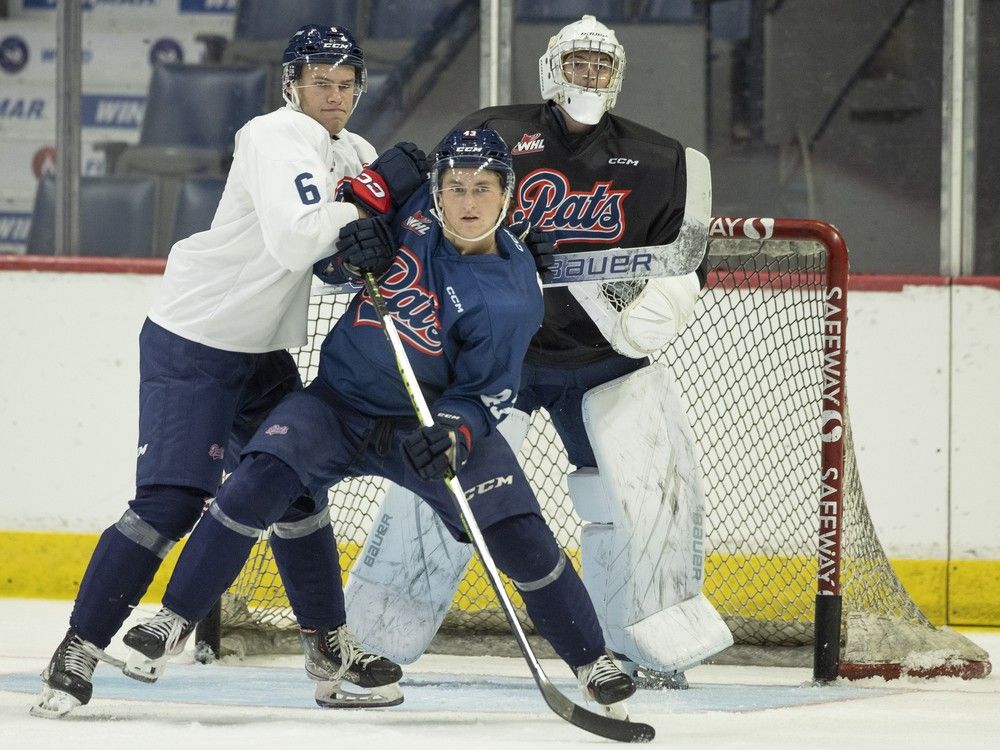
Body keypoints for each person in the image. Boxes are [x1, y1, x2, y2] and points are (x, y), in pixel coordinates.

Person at [118, 127, 638, 716]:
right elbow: (329, 258)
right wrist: (348, 254)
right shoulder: (413, 207)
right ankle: (173, 619)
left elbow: (488, 391)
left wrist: (456, 433)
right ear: (438, 190)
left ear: (507, 196)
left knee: (518, 535)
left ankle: (592, 662)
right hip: (339, 405)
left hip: (428, 424)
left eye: (483, 189)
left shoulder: (512, 294)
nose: (467, 203)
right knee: (256, 479)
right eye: (456, 187)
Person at [31, 23, 427, 718]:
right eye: (319, 82)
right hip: (198, 337)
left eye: (345, 84)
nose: (333, 95)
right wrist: (363, 209)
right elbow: (297, 234)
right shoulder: (271, 136)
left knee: (295, 488)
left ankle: (327, 650)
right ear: (292, 85)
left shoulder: (356, 151)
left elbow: (335, 263)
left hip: (262, 349)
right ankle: (78, 648)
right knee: (171, 503)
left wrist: (382, 233)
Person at [344, 14, 734, 689]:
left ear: (617, 76)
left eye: (600, 66)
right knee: (439, 489)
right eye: (577, 64)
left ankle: (642, 647)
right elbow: (428, 216)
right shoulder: (492, 134)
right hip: (500, 358)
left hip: (605, 363)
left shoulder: (660, 158)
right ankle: (376, 635)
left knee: (643, 496)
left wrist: (657, 308)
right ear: (553, 70)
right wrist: (381, 231)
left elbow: (686, 263)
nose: (588, 77)